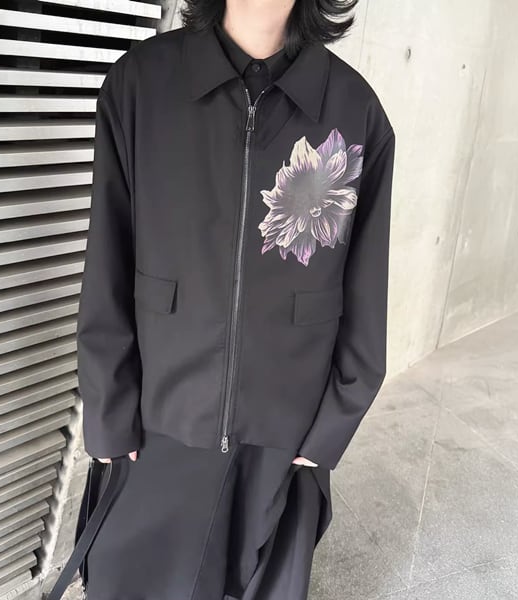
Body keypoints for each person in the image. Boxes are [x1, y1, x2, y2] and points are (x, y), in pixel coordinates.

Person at [75, 0, 396, 598]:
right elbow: (108, 263)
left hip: (283, 435)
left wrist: (332, 427)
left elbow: (365, 284)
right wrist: (110, 415)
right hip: (158, 424)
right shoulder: (142, 84)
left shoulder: (354, 110)